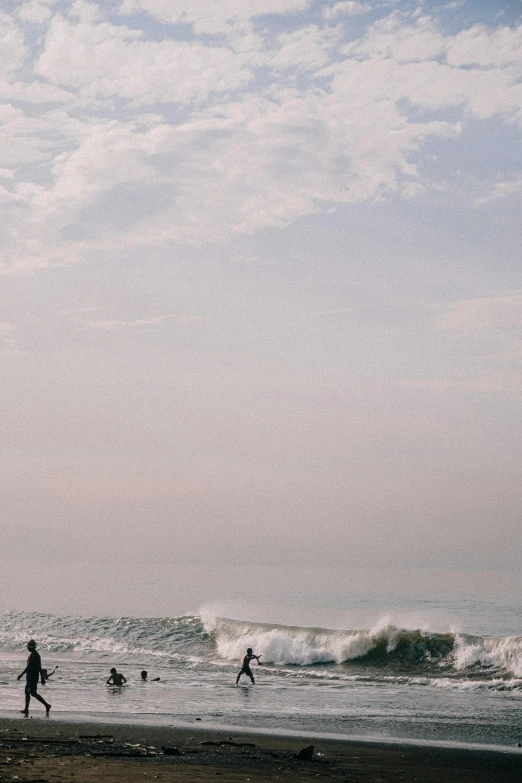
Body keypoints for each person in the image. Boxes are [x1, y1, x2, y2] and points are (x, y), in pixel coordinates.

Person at [17, 640, 51, 716]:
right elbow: (34, 667)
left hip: (33, 677)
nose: (27, 649)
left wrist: (21, 674)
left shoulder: (35, 655)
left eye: (28, 647)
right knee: (27, 692)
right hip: (30, 676)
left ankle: (47, 705)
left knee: (32, 693)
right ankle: (26, 709)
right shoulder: (33, 654)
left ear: (31, 647)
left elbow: (37, 667)